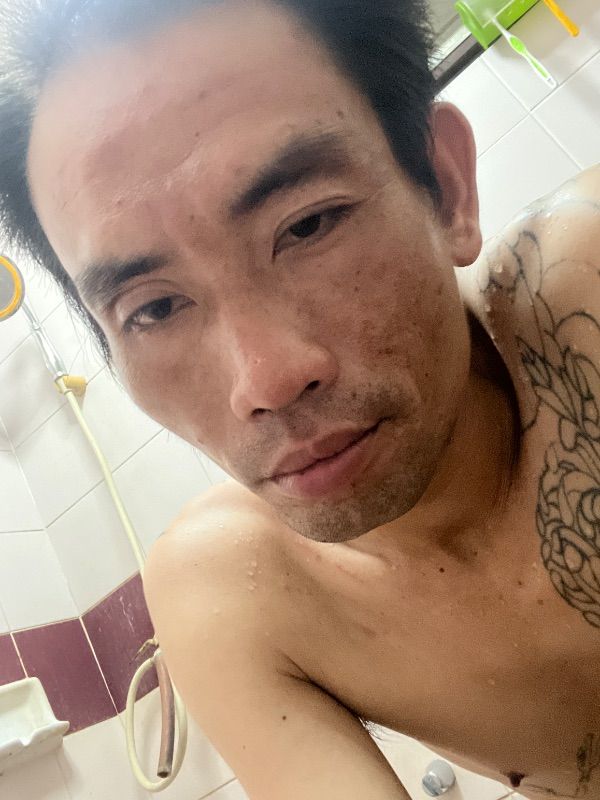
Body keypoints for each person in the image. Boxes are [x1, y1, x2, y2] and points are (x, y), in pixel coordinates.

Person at [0, 1, 598, 797]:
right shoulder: (233, 592)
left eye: (309, 225)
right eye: (154, 307)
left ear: (447, 187)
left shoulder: (584, 287)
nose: (268, 380)